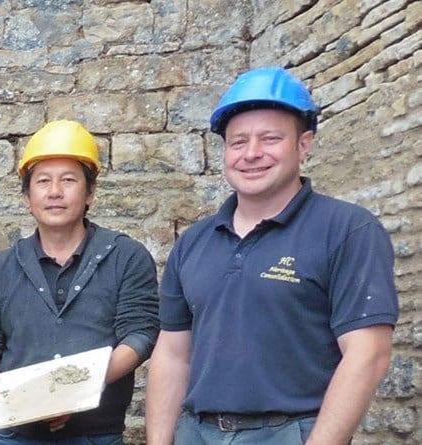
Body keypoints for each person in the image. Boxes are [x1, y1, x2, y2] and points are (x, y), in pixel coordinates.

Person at [146, 66, 397, 445]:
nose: (251, 154)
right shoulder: (194, 241)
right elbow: (172, 356)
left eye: (270, 138)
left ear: (304, 144)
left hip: (292, 433)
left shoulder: (347, 230)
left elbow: (367, 355)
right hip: (195, 433)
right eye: (238, 142)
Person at [0, 121, 158, 445]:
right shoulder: (1, 268)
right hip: (15, 435)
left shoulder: (126, 256)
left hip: (95, 435)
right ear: (27, 198)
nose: (55, 191)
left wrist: (75, 392)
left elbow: (140, 336)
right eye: (43, 181)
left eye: (68, 180)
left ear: (90, 193)